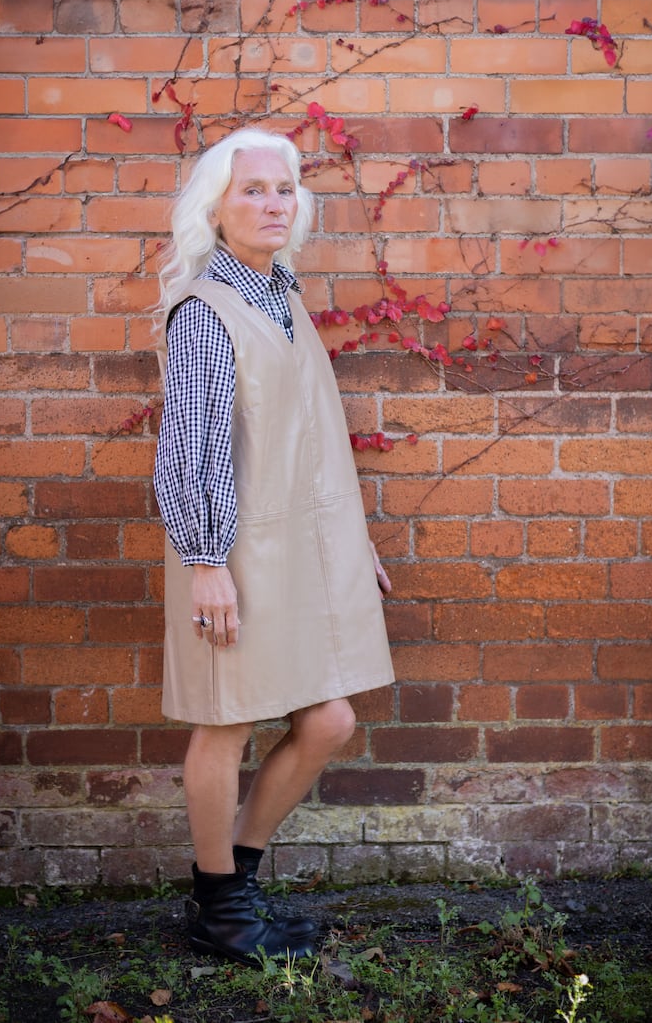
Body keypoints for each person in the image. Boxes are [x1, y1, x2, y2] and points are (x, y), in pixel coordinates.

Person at [153, 126, 395, 966]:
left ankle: (236, 884)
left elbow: (313, 437)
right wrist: (204, 558)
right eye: (252, 188)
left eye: (283, 188)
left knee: (330, 719)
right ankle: (220, 910)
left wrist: (350, 542)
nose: (271, 203)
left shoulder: (280, 290)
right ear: (215, 206)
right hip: (231, 556)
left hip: (304, 552)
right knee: (224, 723)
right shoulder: (206, 311)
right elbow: (191, 447)